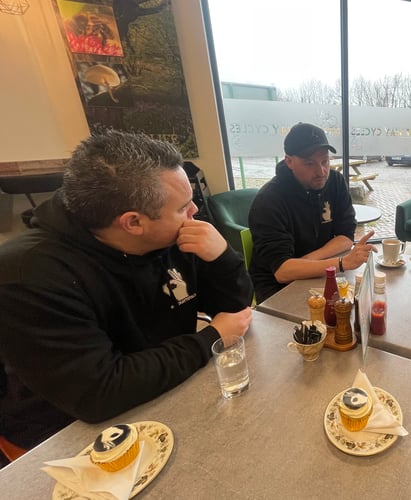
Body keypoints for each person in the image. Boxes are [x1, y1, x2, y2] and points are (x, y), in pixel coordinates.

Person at [0, 130, 253, 462]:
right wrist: (211, 338)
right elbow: (99, 392)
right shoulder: (27, 274)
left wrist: (222, 258)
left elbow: (235, 310)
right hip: (64, 435)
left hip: (160, 389)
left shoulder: (173, 235)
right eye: (182, 207)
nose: (195, 210)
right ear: (133, 222)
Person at [249, 122, 375, 303]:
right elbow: (283, 272)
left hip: (320, 273)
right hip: (277, 288)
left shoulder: (335, 182)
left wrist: (309, 261)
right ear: (289, 161)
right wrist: (341, 263)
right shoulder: (269, 200)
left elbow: (345, 236)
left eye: (325, 161)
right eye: (309, 163)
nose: (321, 171)